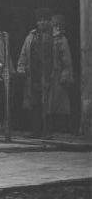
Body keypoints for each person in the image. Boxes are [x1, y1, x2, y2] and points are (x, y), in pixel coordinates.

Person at [16, 9, 74, 138]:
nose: (41, 22)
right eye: (39, 20)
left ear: (49, 21)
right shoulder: (30, 37)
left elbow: (66, 58)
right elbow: (23, 54)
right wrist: (21, 67)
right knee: (35, 103)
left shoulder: (58, 38)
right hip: (34, 75)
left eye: (44, 20)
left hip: (51, 75)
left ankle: (48, 131)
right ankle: (36, 131)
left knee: (49, 104)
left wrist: (65, 74)